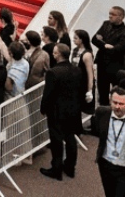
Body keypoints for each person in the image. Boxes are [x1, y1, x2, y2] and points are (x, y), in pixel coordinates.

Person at [40, 43, 83, 180]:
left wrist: (43, 108)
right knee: (70, 138)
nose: (53, 54)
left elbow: (48, 94)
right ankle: (70, 167)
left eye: (54, 52)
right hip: (73, 110)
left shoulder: (53, 73)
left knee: (56, 140)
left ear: (58, 54)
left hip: (57, 112)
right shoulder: (77, 70)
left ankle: (56, 169)